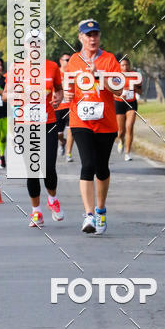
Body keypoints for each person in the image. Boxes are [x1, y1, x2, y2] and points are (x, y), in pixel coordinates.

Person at [63, 19, 121, 234]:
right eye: (88, 35)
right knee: (87, 165)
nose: (92, 38)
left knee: (102, 168)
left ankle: (101, 209)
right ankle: (88, 215)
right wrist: (68, 94)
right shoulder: (74, 62)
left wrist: (99, 76)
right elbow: (70, 89)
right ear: (80, 38)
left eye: (96, 34)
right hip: (81, 121)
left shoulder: (109, 60)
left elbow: (119, 90)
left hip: (106, 122)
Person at [5, 39, 65, 227]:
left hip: (48, 122)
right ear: (26, 47)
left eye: (38, 43)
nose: (35, 47)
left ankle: (52, 199)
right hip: (25, 124)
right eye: (31, 44)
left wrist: (58, 99)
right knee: (31, 171)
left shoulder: (52, 67)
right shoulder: (17, 68)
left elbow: (59, 89)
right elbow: (5, 94)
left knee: (48, 167)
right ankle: (36, 212)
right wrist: (18, 94)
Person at [115, 56, 143, 161]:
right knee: (121, 131)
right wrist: (119, 94)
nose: (125, 67)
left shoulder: (135, 76)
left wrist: (136, 87)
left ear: (130, 66)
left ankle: (127, 152)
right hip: (119, 103)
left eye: (127, 65)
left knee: (130, 126)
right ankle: (121, 140)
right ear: (119, 66)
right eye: (122, 65)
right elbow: (111, 91)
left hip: (131, 103)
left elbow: (140, 92)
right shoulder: (116, 76)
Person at [56, 53, 72, 158]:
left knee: (71, 130)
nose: (69, 62)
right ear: (60, 61)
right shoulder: (55, 72)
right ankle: (62, 142)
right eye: (67, 60)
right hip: (58, 107)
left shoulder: (73, 73)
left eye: (70, 60)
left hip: (70, 106)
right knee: (59, 133)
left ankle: (68, 153)